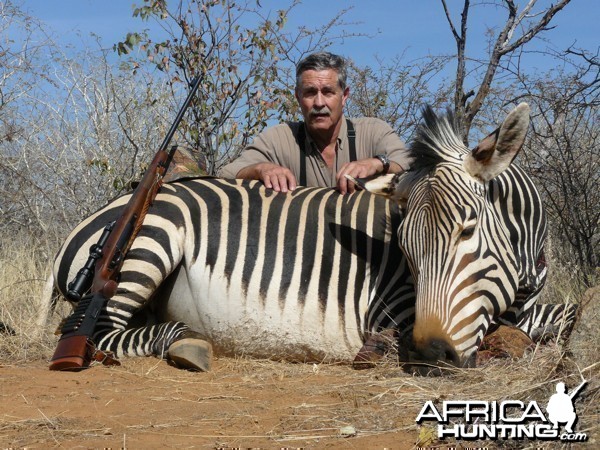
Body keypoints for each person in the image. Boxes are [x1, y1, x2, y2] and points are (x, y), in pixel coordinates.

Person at [218, 52, 411, 194]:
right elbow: (226, 174)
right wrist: (260, 169)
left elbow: (412, 166)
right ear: (298, 97)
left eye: (328, 92)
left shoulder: (374, 131)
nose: (319, 103)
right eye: (310, 92)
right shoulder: (279, 138)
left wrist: (378, 163)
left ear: (344, 96)